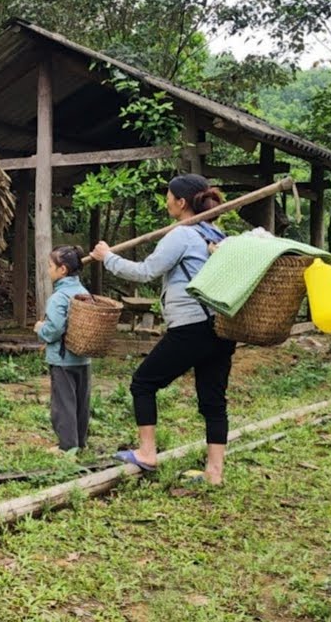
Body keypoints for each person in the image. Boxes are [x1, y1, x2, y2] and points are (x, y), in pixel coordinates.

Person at [89, 174, 234, 485]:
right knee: (213, 399)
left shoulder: (181, 235)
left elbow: (146, 272)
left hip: (192, 326)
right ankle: (214, 473)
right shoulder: (215, 234)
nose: (166, 200)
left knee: (143, 382)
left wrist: (107, 258)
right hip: (221, 327)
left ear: (181, 203)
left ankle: (147, 452)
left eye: (168, 196)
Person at [33, 245, 93, 454]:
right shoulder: (84, 293)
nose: (48, 270)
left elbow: (56, 328)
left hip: (63, 359)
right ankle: (80, 442)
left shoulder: (59, 297)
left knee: (63, 403)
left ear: (63, 270)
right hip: (83, 358)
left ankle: (67, 447)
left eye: (51, 266)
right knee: (80, 402)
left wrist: (41, 329)